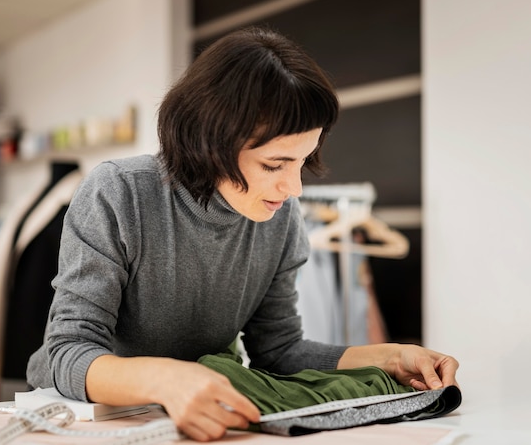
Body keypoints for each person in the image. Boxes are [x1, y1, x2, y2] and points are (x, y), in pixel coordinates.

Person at [26, 26, 459, 442]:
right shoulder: (119, 192)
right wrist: (164, 378)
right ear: (209, 143)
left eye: (301, 162)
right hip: (101, 421)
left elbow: (280, 350)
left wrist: (387, 356)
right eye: (275, 165)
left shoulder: (282, 218)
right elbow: (67, 350)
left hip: (209, 420)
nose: (294, 189)